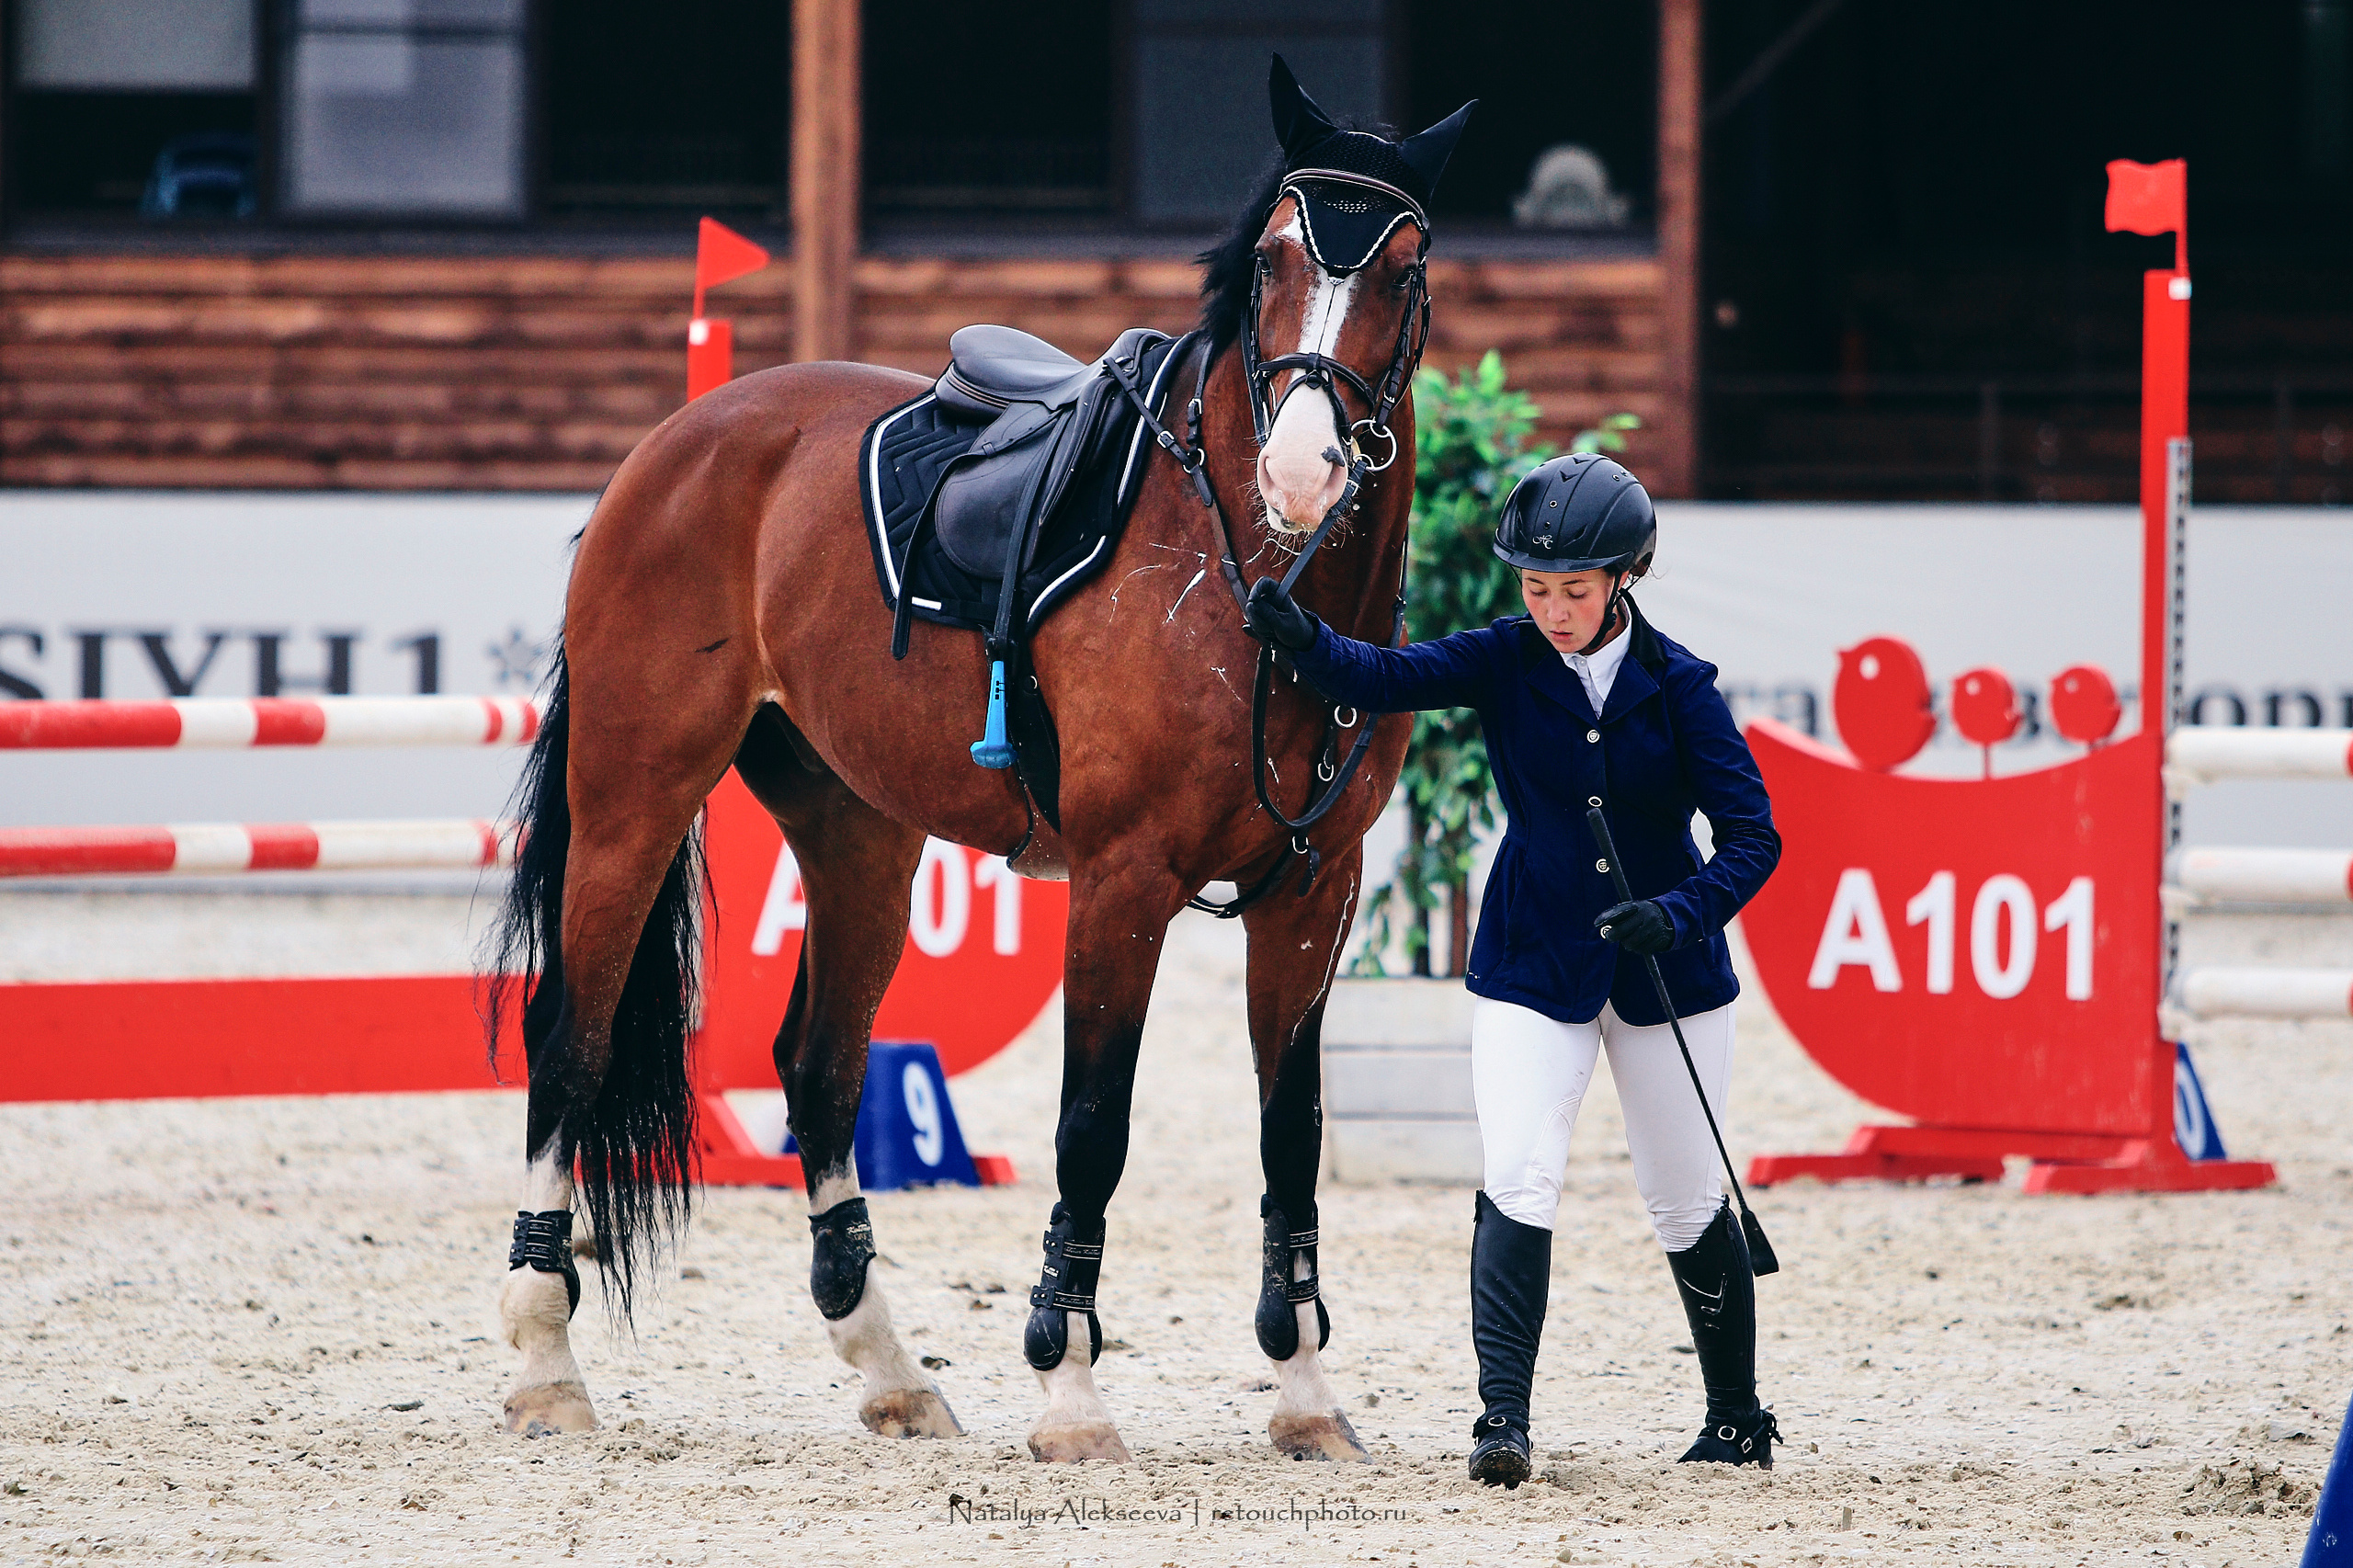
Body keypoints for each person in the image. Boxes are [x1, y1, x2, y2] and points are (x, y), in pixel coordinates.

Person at [1243, 452, 1784, 1488]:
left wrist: (1676, 913)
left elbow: (1753, 838)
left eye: (1573, 591)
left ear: (1625, 574)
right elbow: (1384, 676)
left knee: (1680, 1195)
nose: (1552, 610)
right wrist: (1304, 638)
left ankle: (1732, 1414)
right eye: (1535, 589)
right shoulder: (1503, 656)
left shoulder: (1682, 689)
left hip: (1666, 972)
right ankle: (1502, 1419)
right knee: (1519, 1174)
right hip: (1533, 959)